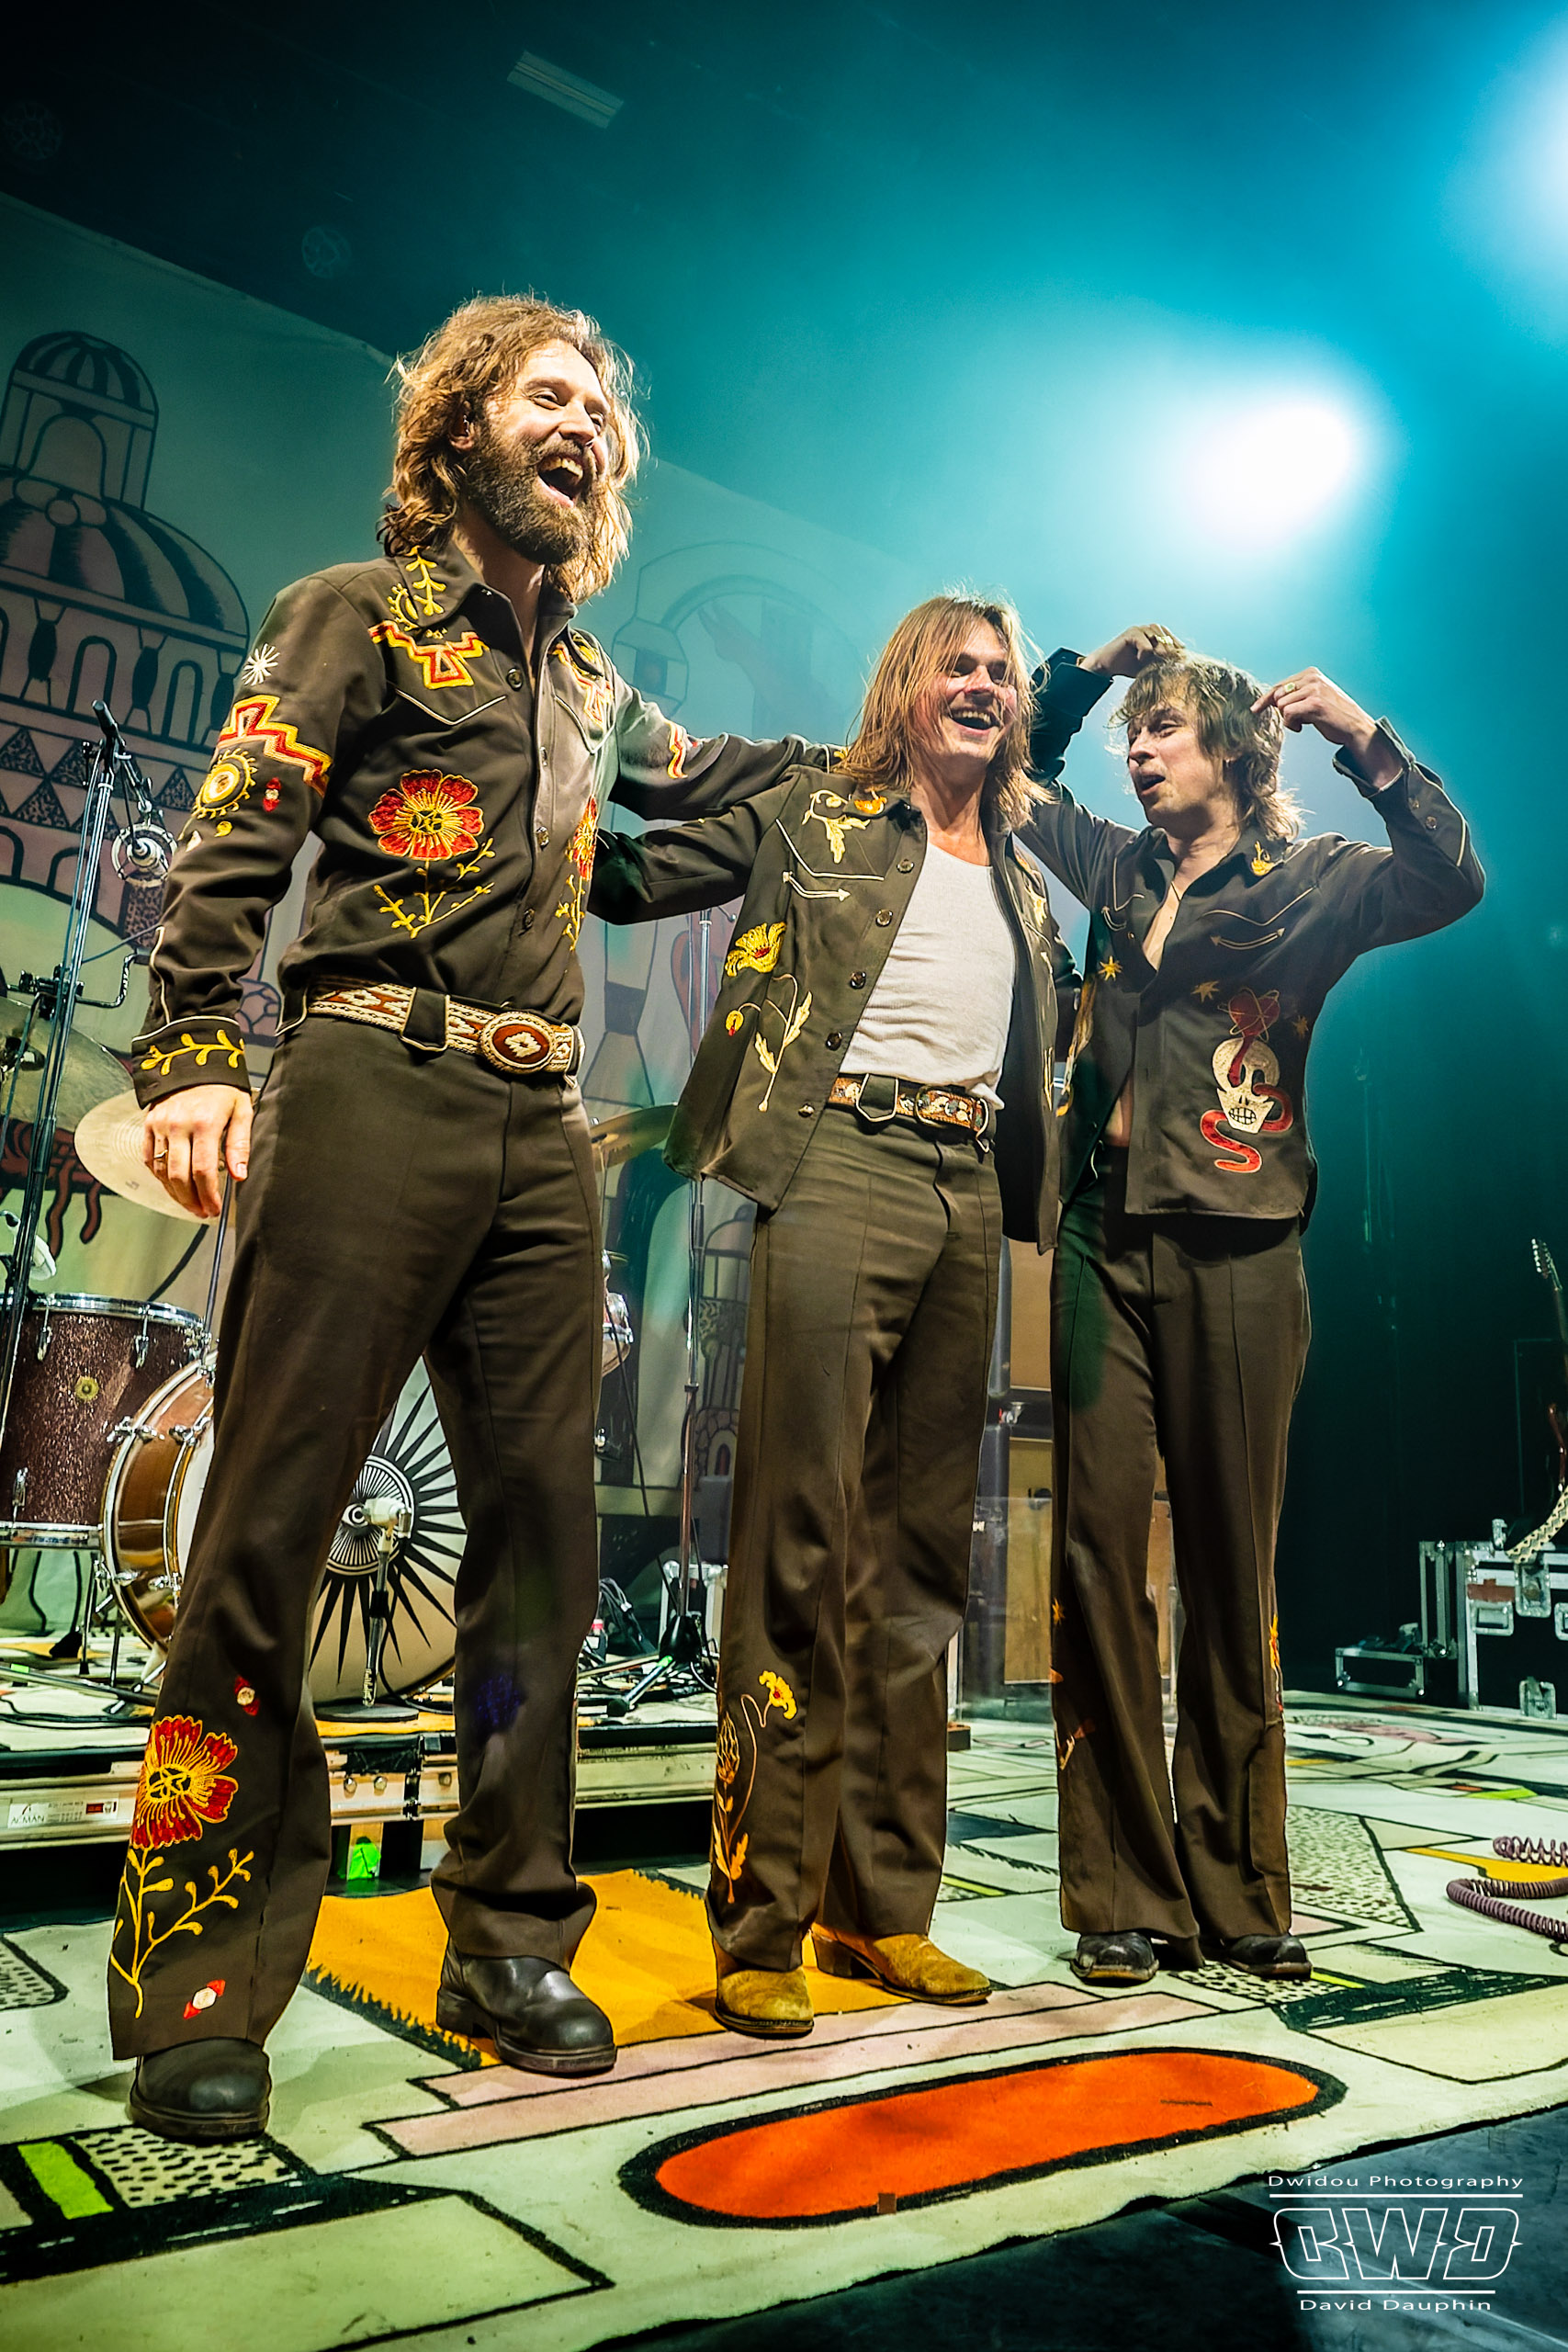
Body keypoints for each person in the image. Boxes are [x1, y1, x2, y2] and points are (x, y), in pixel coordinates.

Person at [109, 295, 828, 2141]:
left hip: (541, 1133)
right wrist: (191, 1046)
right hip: (364, 1082)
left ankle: (509, 1941)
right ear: (460, 429)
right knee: (264, 1534)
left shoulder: (590, 693)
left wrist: (882, 770)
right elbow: (239, 831)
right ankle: (201, 1983)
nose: (583, 424)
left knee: (533, 1562)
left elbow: (694, 805)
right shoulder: (352, 612)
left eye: (602, 409)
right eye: (548, 394)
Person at [591, 594, 1075, 2038]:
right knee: (796, 1544)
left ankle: (885, 1908)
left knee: (919, 1565)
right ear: (904, 687)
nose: (982, 685)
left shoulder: (1028, 871)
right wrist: (523, 795)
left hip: (966, 1187)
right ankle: (762, 1922)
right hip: (840, 1161)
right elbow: (633, 871)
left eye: (1000, 672)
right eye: (957, 665)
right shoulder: (815, 811)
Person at [1024, 629, 1483, 1986]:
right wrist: (1083, 678)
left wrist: (1363, 736)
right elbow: (1011, 783)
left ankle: (1239, 1889)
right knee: (1097, 1561)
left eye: (1162, 728)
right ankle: (1124, 1896)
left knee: (1232, 1564)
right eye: (1134, 735)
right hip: (1102, 1237)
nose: (1140, 750)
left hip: (1242, 1245)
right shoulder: (1118, 867)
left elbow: (1452, 877)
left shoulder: (1318, 880)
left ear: (1231, 747)